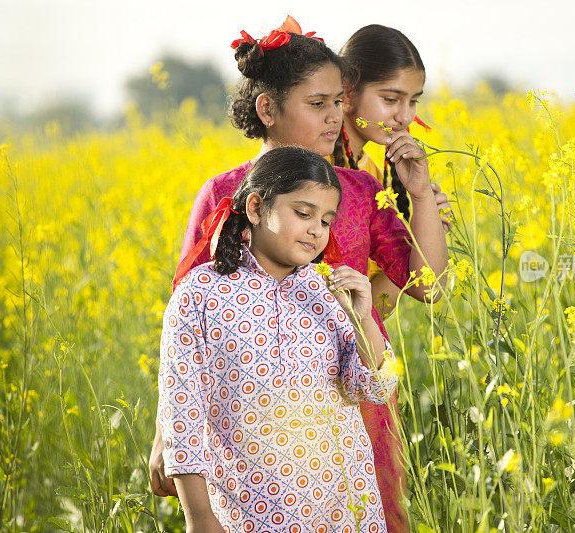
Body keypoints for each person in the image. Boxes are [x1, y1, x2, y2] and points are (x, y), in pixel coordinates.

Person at [151, 17, 448, 532]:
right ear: (268, 109)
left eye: (340, 102)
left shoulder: (357, 189)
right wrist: (166, 433)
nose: (336, 116)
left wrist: (419, 196)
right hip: (248, 426)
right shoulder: (224, 194)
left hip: (350, 403)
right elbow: (186, 338)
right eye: (319, 105)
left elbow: (427, 286)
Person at [158, 146, 398, 531]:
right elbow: (182, 416)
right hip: (249, 509)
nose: (316, 230)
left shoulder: (326, 291)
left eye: (326, 220)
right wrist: (199, 519)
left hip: (345, 507)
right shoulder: (199, 294)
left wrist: (362, 317)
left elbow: (372, 387)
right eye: (303, 213)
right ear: (255, 207)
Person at [333, 24, 452, 317]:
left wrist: (424, 221)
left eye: (413, 101)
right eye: (390, 99)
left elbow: (377, 308)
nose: (405, 116)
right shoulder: (312, 170)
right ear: (348, 91)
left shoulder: (373, 175)